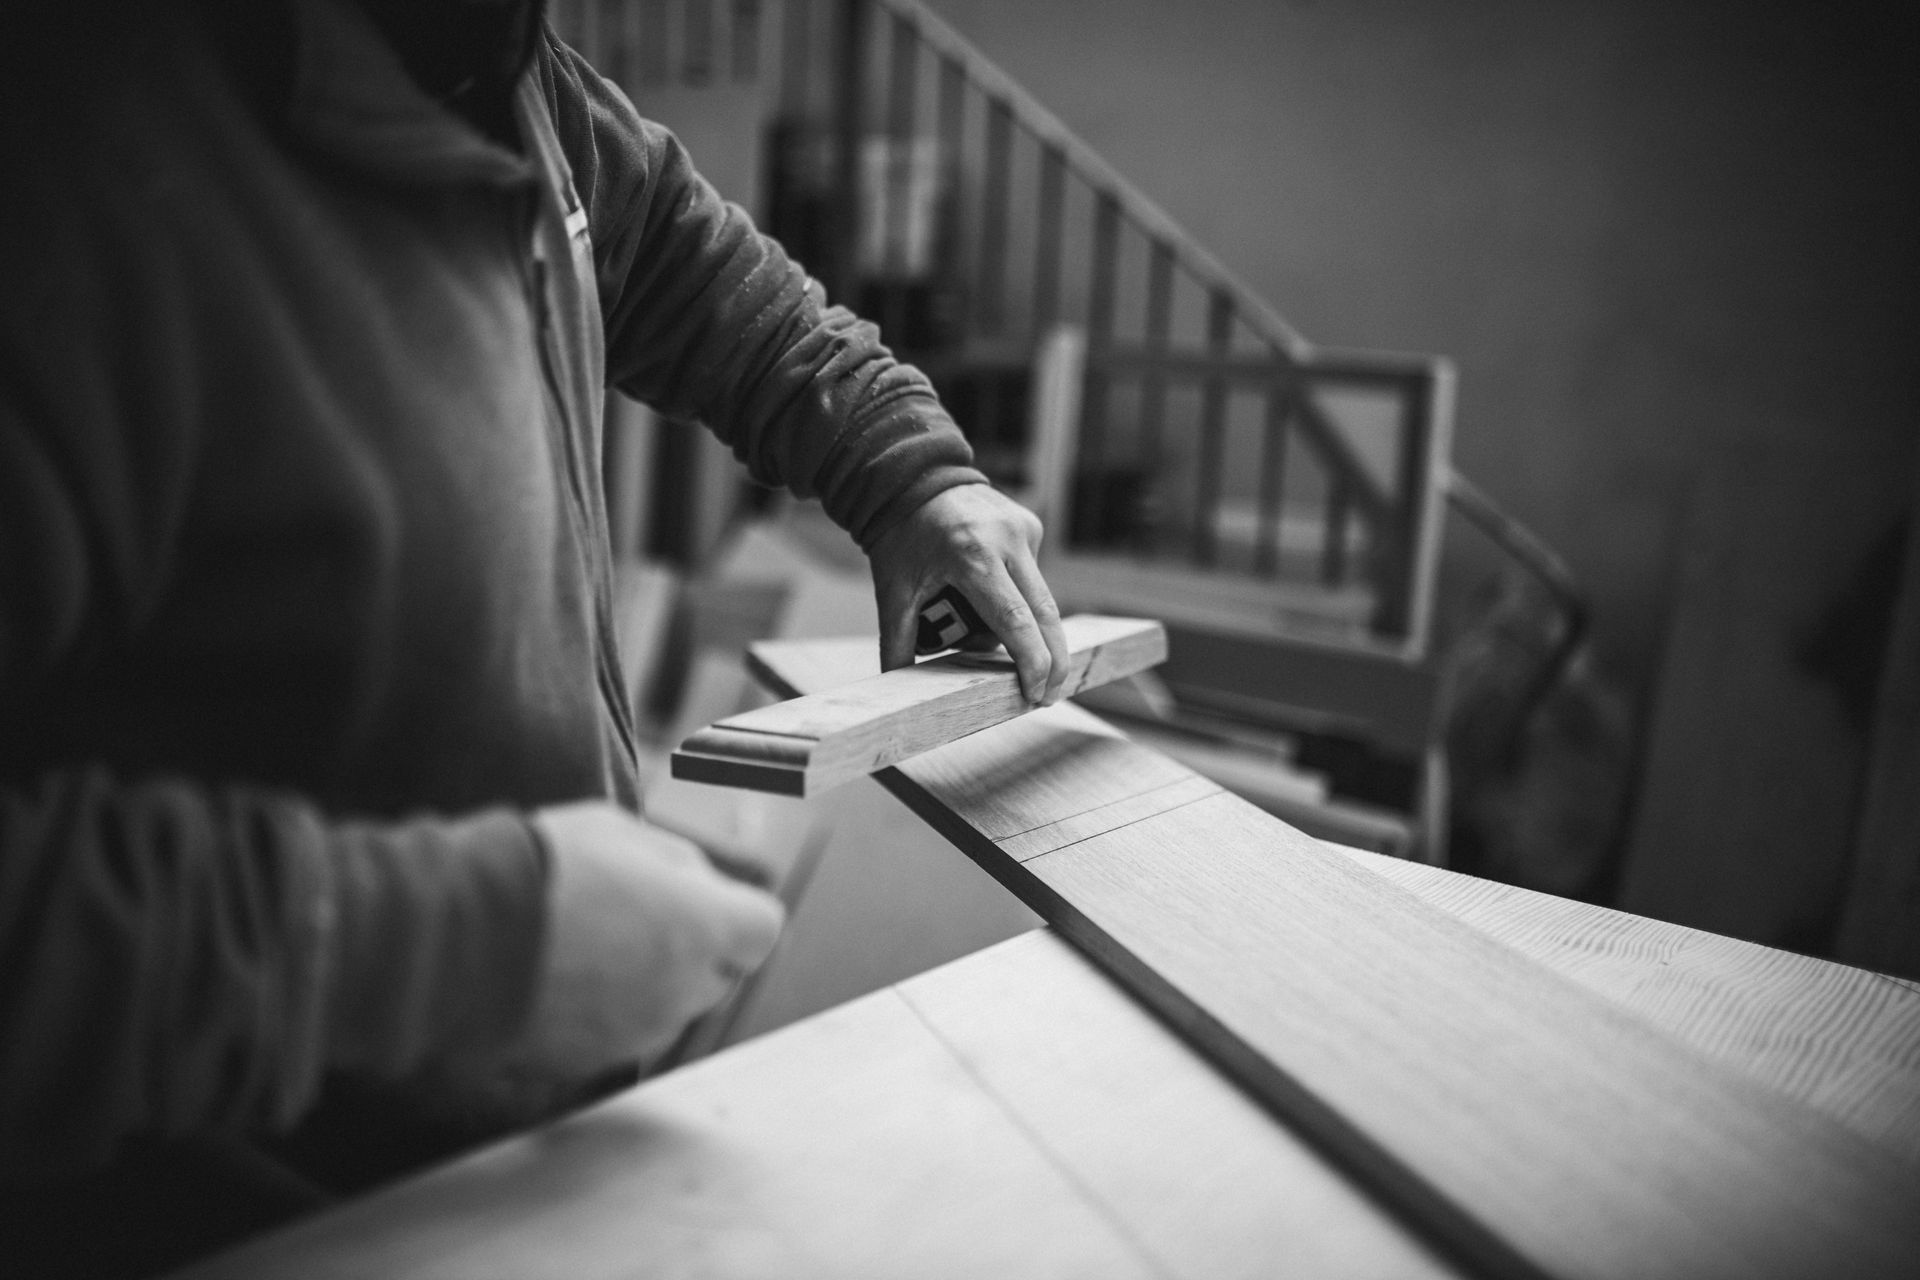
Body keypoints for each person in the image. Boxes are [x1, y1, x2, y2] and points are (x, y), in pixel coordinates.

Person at [0, 0, 1068, 1273]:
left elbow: (680, 258)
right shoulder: (68, 156)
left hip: (515, 1167)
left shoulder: (502, 71)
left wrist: (905, 471)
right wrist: (463, 948)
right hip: (224, 1215)